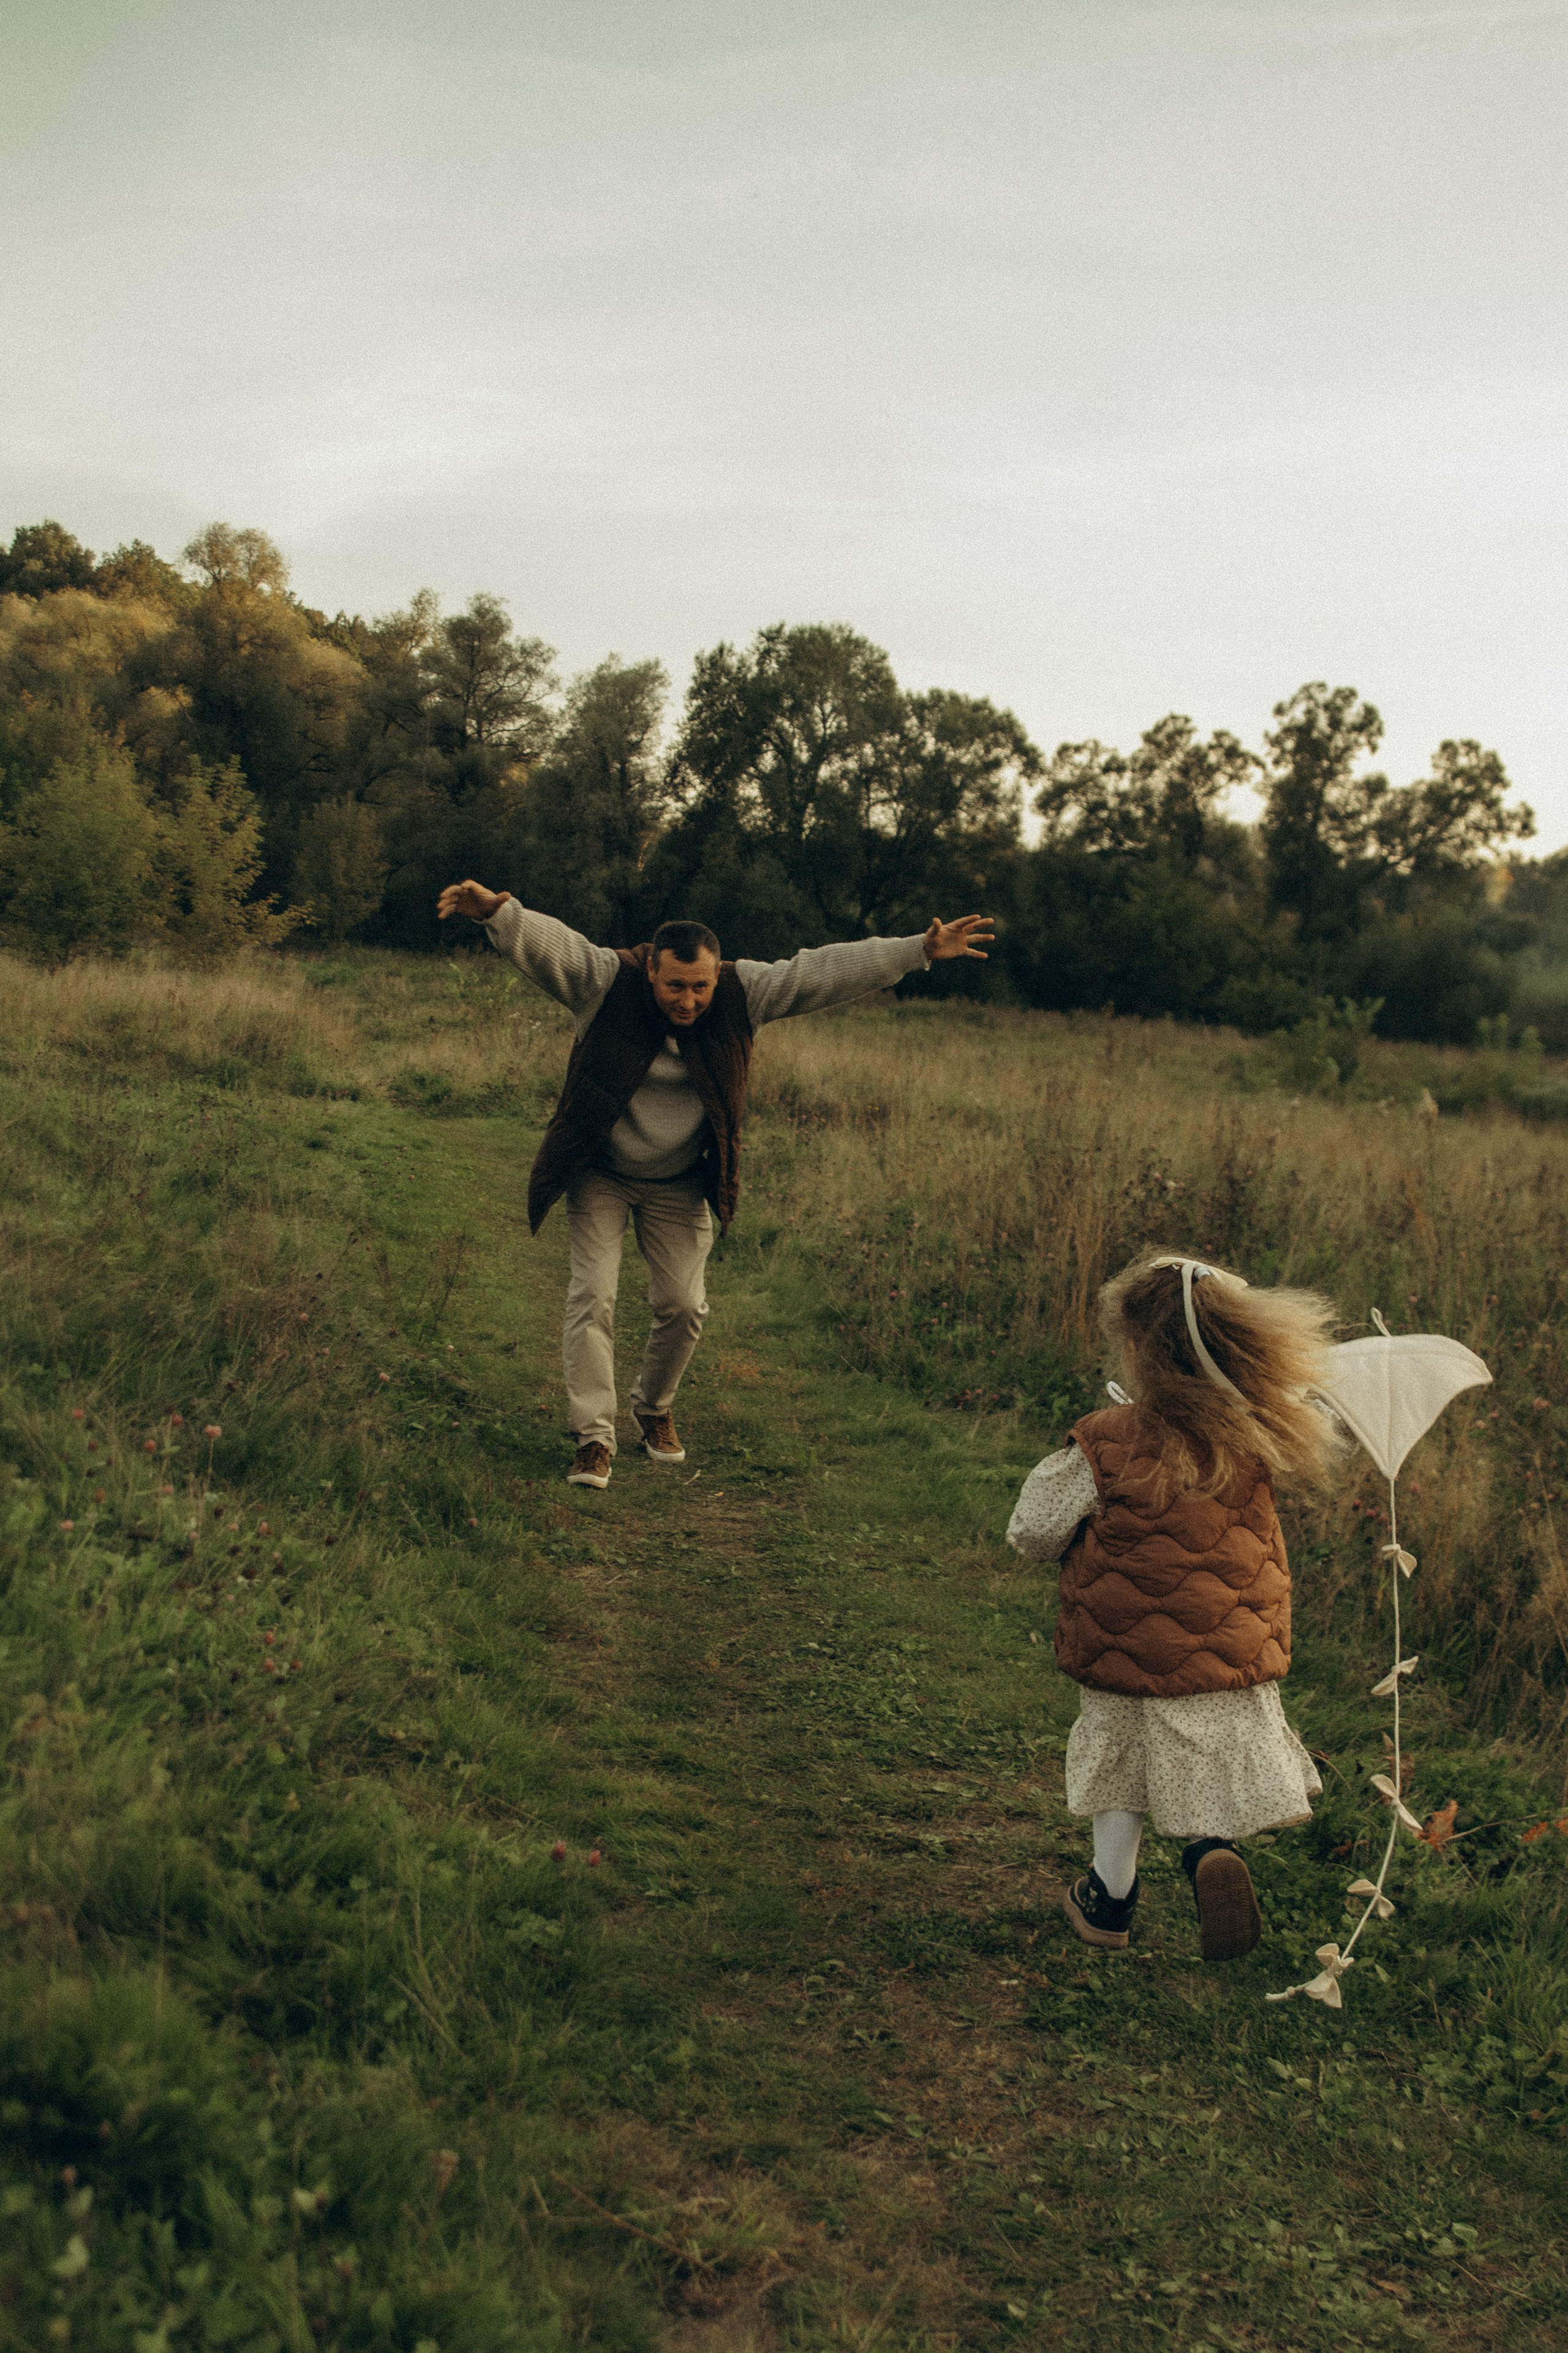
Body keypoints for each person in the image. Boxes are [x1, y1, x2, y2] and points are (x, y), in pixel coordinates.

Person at [437, 880, 993, 1487]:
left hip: (677, 1180)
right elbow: (557, 948)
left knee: (683, 1305)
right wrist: (498, 912)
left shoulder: (740, 992)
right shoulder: (607, 982)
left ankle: (652, 1406)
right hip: (601, 1171)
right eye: (675, 985)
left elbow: (820, 971)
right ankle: (593, 1438)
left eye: (700, 986)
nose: (689, 999)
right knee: (592, 1296)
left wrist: (918, 949)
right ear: (651, 969)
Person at [1006, 1250, 1338, 1961]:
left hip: (1124, 1647)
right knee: (1199, 1754)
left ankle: (1109, 1897)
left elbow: (1031, 1530)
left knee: (1121, 1760)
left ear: (1137, 1350)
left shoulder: (1107, 1439)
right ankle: (1207, 1850)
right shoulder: (1257, 1435)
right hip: (1226, 1648)